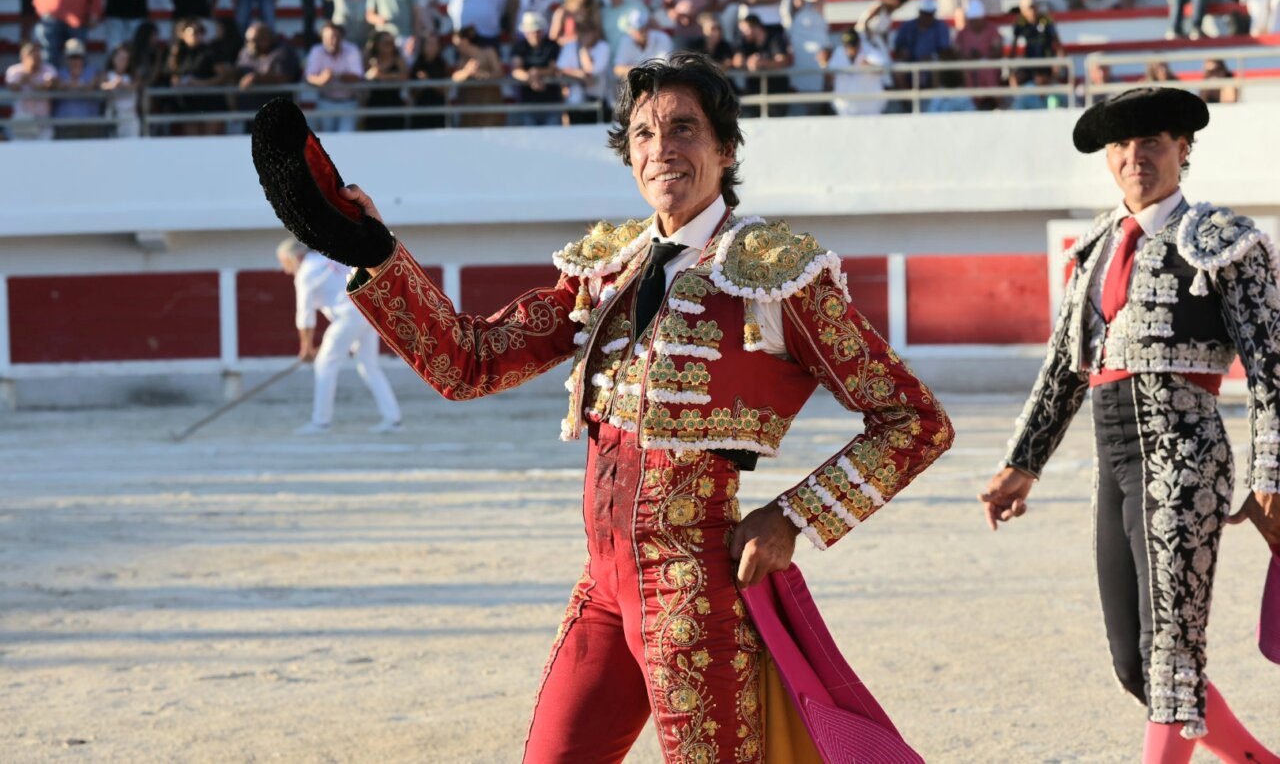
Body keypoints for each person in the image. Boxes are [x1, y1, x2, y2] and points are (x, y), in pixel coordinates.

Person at [257, 50, 952, 763]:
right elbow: (469, 362)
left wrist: (793, 516)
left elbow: (914, 421)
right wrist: (374, 252)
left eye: (684, 128)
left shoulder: (775, 273)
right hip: (604, 582)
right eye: (645, 134)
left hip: (694, 587)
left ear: (726, 147)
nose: (662, 149)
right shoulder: (607, 267)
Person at [982, 87, 1280, 763]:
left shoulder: (1227, 242)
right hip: (1113, 458)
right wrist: (1019, 464)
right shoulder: (1094, 246)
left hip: (1186, 456)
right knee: (1133, 661)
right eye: (1122, 144)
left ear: (1183, 149)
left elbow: (1272, 369)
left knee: (1172, 649)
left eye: (1152, 141)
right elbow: (1064, 369)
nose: (1135, 155)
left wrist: (1271, 478)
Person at [277, 240, 402, 436]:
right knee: (369, 365)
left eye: (285, 262)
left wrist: (306, 348)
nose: (286, 269)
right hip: (368, 310)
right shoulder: (329, 256)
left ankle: (321, 422)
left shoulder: (306, 272)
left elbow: (305, 315)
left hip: (347, 316)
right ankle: (393, 418)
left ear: (295, 256)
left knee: (324, 366)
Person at [169, 17, 228, 136]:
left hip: (211, 102)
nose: (198, 35)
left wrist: (200, 83)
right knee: (192, 143)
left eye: (201, 31)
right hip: (189, 104)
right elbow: (172, 75)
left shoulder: (210, 51)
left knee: (212, 141)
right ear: (183, 34)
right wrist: (177, 82)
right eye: (194, 32)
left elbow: (223, 76)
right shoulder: (178, 54)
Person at [306, 22, 363, 132]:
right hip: (325, 102)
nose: (332, 41)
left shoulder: (352, 50)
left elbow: (357, 76)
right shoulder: (317, 50)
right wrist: (320, 80)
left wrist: (335, 75)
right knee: (326, 141)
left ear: (342, 37)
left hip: (349, 103)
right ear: (322, 38)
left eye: (335, 37)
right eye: (327, 38)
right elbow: (309, 76)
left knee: (347, 139)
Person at [733, 12, 793, 117]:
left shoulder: (775, 38)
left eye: (745, 30)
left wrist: (762, 63)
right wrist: (746, 62)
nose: (743, 34)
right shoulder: (745, 42)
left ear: (756, 27)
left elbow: (782, 61)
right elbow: (736, 61)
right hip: (754, 92)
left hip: (776, 93)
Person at [820, 26, 888, 115]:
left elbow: (884, 70)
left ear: (859, 43)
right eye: (848, 46)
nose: (851, 49)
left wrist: (869, 66)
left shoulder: (870, 51)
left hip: (870, 108)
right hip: (845, 108)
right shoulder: (839, 52)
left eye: (853, 46)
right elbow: (830, 77)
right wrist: (824, 63)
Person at [510, 10, 562, 126]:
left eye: (536, 31)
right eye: (530, 31)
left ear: (542, 31)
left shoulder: (551, 45)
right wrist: (532, 77)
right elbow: (516, 71)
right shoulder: (520, 46)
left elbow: (554, 69)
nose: (534, 34)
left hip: (551, 102)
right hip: (528, 103)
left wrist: (535, 73)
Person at [555, 18, 610, 123]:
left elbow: (592, 72)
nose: (585, 35)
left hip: (597, 101)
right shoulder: (570, 47)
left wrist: (583, 50)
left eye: (588, 31)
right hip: (575, 103)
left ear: (595, 32)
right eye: (582, 31)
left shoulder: (603, 47)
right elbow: (560, 69)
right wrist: (580, 74)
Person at [952, 0, 1003, 108]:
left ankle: (996, 101)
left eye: (975, 20)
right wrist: (968, 58)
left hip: (989, 67)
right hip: (969, 67)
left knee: (986, 66)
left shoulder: (992, 30)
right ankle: (972, 103)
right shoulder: (962, 33)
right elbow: (956, 53)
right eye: (971, 20)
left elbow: (998, 51)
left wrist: (983, 57)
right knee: (967, 69)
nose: (973, 23)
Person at [450, 25, 505, 127]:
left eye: (457, 44)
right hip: (471, 109)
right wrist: (467, 72)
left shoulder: (489, 52)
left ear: (465, 41)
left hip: (490, 106)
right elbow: (455, 77)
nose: (456, 48)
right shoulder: (463, 59)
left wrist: (483, 75)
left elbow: (499, 73)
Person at [892, 0, 952, 89]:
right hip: (910, 62)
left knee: (936, 67)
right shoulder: (907, 26)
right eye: (925, 13)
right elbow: (898, 47)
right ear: (920, 12)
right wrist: (902, 52)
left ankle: (935, 101)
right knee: (898, 69)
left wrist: (932, 57)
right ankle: (908, 102)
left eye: (930, 14)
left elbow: (945, 51)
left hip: (932, 63)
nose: (927, 17)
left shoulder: (941, 27)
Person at [5, 40, 58, 140]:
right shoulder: (14, 70)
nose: (35, 55)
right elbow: (13, 87)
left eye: (37, 52)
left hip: (43, 121)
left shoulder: (48, 69)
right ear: (23, 56)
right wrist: (24, 77)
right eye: (31, 52)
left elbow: (50, 85)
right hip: (23, 120)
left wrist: (31, 81)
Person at [52, 36, 102, 139]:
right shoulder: (60, 72)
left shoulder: (92, 71)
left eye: (78, 56)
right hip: (65, 125)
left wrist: (72, 85)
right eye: (72, 57)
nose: (75, 60)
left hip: (89, 124)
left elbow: (92, 86)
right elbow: (58, 85)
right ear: (66, 58)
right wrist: (80, 85)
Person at [362, 29, 407, 130]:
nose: (389, 45)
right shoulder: (370, 59)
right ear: (377, 44)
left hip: (394, 105)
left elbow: (404, 76)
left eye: (391, 43)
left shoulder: (398, 60)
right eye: (385, 43)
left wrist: (382, 76)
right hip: (374, 105)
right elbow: (366, 76)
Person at [612, 6, 674, 78]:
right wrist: (637, 71)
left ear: (648, 27)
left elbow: (664, 69)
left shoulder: (663, 38)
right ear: (630, 30)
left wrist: (635, 71)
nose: (642, 32)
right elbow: (617, 69)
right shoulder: (625, 41)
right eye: (637, 29)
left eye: (644, 27)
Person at [100, 42, 140, 137]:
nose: (122, 62)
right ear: (113, 59)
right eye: (119, 58)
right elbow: (102, 86)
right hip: (114, 116)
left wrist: (123, 85)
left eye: (125, 59)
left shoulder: (133, 76)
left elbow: (136, 86)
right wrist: (113, 84)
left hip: (130, 117)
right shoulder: (107, 75)